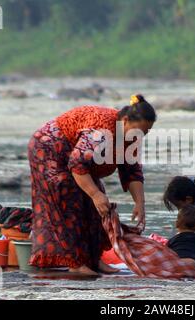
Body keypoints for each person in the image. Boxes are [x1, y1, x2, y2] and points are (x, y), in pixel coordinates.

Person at [27, 94, 156, 276]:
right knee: (69, 200)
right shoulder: (102, 129)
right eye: (139, 130)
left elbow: (132, 170)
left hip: (79, 162)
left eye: (146, 132)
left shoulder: (131, 137)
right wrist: (95, 194)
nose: (141, 136)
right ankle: (76, 263)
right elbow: (78, 164)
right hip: (49, 148)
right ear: (125, 120)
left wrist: (140, 203)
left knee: (99, 208)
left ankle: (94, 259)